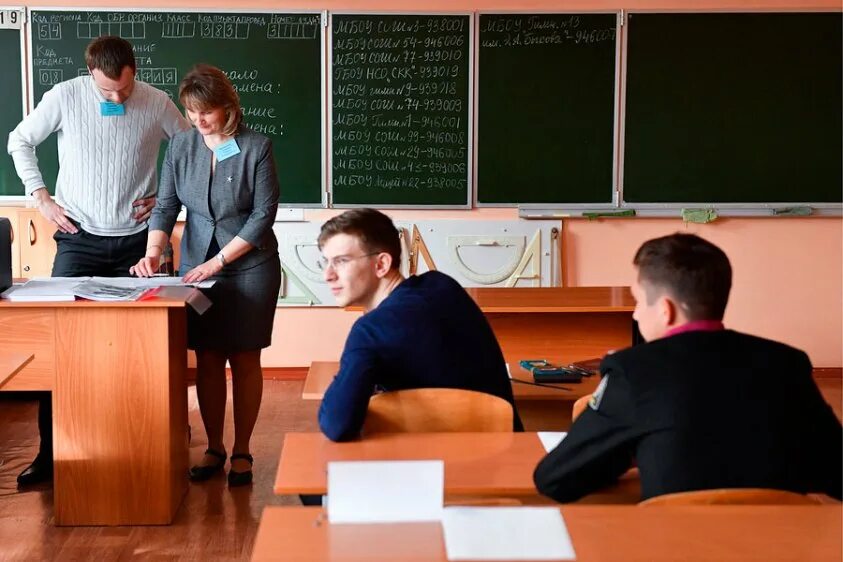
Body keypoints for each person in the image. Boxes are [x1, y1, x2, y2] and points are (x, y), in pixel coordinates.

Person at [533, 233, 842, 503]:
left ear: (665, 310)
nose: (636, 314)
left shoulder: (633, 371)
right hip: (780, 544)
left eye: (638, 301)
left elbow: (555, 479)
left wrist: (629, 452)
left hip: (673, 543)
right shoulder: (786, 363)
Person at [7, 36, 190, 487]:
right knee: (60, 349)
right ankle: (50, 453)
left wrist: (167, 200)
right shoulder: (64, 96)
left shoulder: (156, 101)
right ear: (91, 73)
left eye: (125, 88)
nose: (118, 98)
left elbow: (192, 149)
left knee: (145, 351)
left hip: (139, 245)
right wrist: (41, 198)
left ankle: (154, 444)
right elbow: (19, 140)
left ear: (134, 71)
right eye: (108, 90)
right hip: (78, 238)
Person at [130, 64, 281, 487]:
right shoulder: (181, 146)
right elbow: (166, 206)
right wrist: (154, 251)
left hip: (249, 265)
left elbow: (262, 215)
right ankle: (214, 447)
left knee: (245, 357)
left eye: (206, 112)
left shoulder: (256, 147)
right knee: (209, 357)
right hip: (197, 264)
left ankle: (242, 451)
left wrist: (219, 263)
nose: (198, 120)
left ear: (228, 107)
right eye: (191, 111)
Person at [316, 208, 523, 443]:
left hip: (431, 457)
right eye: (325, 262)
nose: (327, 275)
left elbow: (336, 425)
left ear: (381, 264)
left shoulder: (370, 331)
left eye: (341, 261)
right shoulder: (443, 285)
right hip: (507, 450)